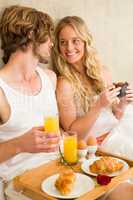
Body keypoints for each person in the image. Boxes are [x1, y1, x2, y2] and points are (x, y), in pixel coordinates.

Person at [52, 15, 133, 200]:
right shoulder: (64, 84)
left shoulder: (101, 72)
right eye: (63, 42)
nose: (69, 48)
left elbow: (116, 116)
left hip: (118, 131)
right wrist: (98, 106)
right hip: (99, 145)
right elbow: (74, 134)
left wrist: (123, 103)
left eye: (75, 41)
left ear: (86, 41)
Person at [0, 5, 60, 199]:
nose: (52, 43)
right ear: (31, 34)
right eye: (48, 36)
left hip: (60, 170)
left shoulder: (50, 78)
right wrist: (19, 144)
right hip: (21, 183)